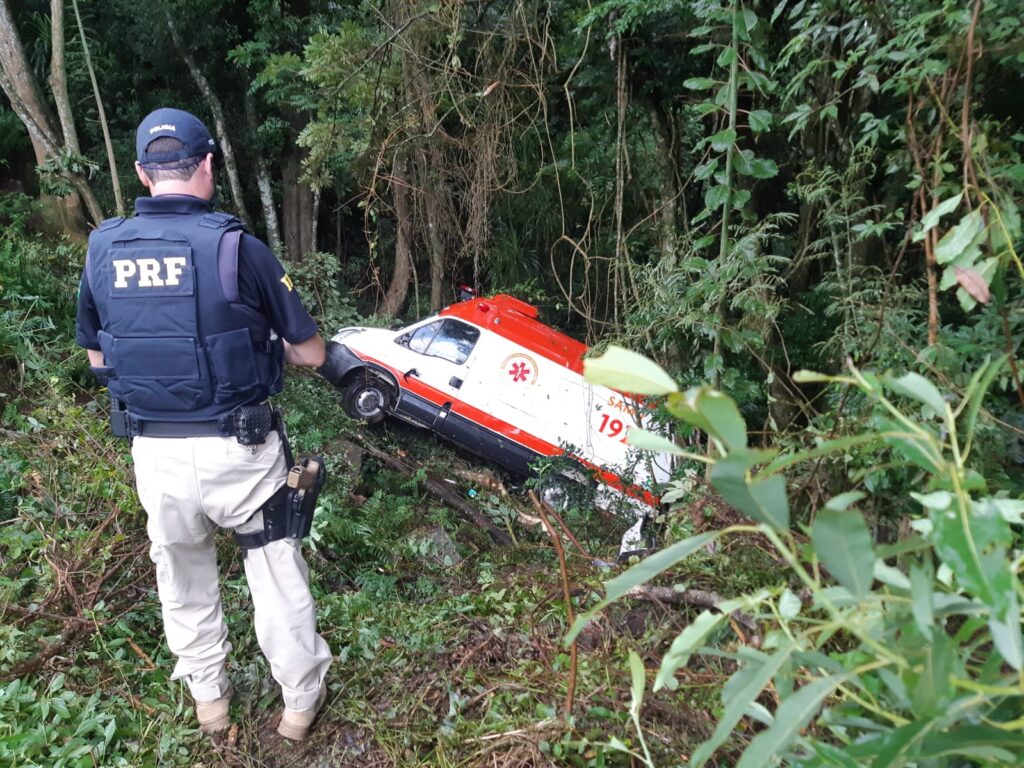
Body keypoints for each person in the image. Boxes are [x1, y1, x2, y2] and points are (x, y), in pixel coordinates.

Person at [75, 108, 333, 741]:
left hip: (155, 456)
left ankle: (211, 705)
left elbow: (96, 357)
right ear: (208, 166)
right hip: (239, 451)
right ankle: (299, 706)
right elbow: (312, 352)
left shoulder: (104, 248)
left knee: (182, 578)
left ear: (141, 172)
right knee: (274, 573)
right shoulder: (235, 246)